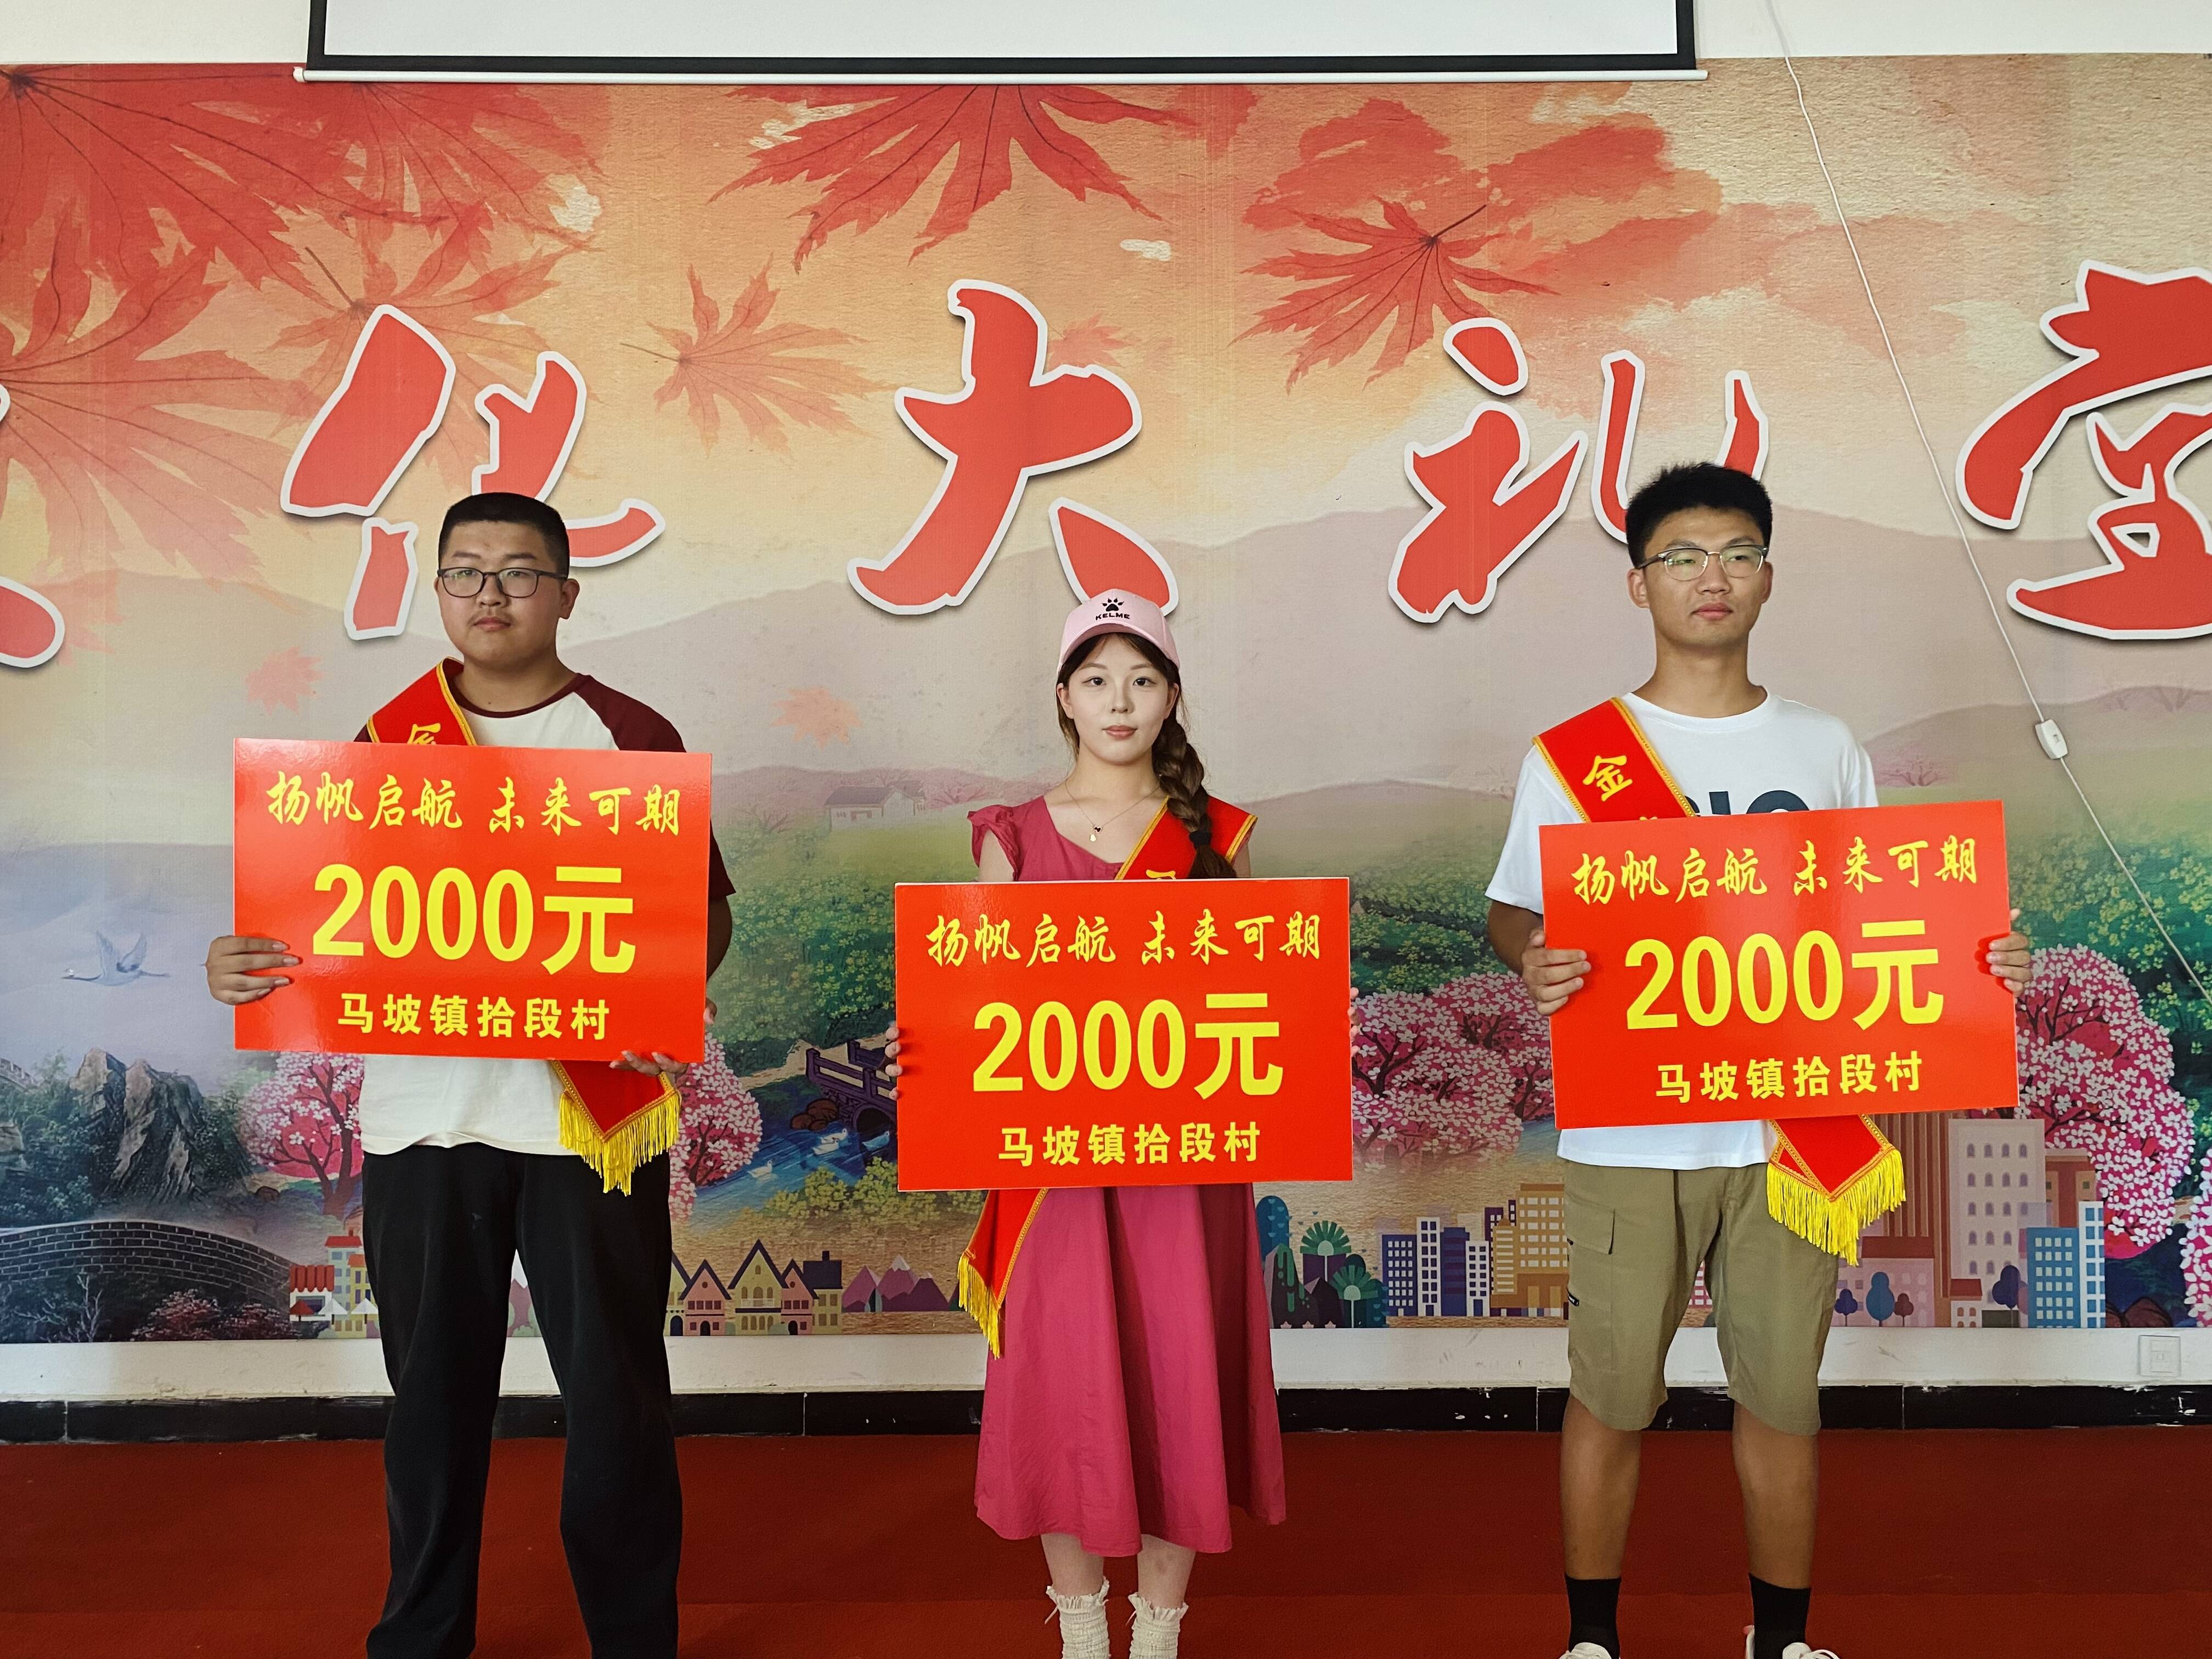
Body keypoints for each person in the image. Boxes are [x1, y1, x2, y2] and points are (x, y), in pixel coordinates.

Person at [1482, 464, 2032, 1659]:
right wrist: (1532, 956)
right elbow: (1513, 907)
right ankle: (1592, 1639)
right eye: (1681, 556)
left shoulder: (1824, 746)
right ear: (1639, 585)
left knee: (1783, 1397)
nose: (1711, 577)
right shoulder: (1575, 755)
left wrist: (1977, 960)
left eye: (1736, 553)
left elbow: (1882, 920)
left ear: (1769, 577)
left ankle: (1780, 1639)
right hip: (1630, 1129)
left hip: (1791, 1132)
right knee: (1610, 1395)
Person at [204, 492, 733, 1659]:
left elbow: (705, 913)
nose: (491, 594)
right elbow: (317, 917)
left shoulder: (628, 735)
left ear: (567, 594)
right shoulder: (387, 741)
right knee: (432, 1405)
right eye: (466, 572)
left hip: (590, 1119)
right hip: (422, 1120)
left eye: (519, 572)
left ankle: (634, 1642)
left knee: (617, 1404)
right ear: (438, 589)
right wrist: (242, 963)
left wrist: (669, 997)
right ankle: (423, 1635)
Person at [892, 590, 1286, 1659]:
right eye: (1098, 680)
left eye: (1143, 680)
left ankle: (1158, 1632)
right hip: (1055, 1169)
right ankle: (1079, 1628)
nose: (1121, 702)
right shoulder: (1012, 838)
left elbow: (1259, 1000)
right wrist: (930, 1040)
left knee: (1176, 1377)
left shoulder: (1222, 837)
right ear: (1064, 698)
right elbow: (984, 1009)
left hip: (1185, 1165)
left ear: (1171, 698)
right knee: (1062, 1381)